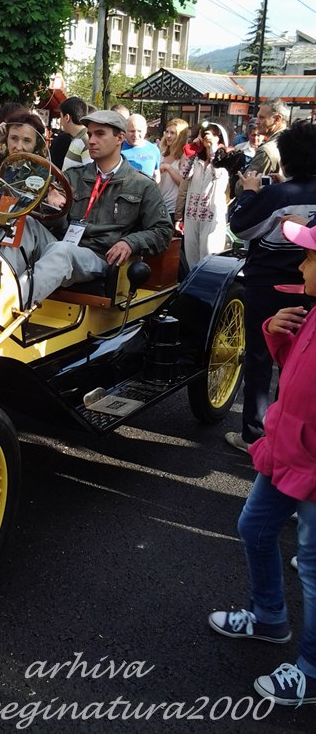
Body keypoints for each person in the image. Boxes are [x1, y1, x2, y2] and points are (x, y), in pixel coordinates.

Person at [208, 218, 316, 708]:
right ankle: (270, 618)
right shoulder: (310, 310)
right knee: (253, 528)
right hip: (286, 448)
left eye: (309, 258)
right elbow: (295, 370)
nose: (301, 266)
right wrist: (275, 332)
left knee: (312, 565)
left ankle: (312, 669)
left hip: (310, 461)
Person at [0, 109, 173, 305]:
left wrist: (131, 242)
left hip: (100, 256)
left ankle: (8, 306)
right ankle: (0, 290)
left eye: (100, 134)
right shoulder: (73, 176)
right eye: (90, 134)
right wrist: (51, 205)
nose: (91, 140)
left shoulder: (141, 184)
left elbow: (163, 230)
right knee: (24, 223)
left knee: (62, 250)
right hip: (63, 245)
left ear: (119, 138)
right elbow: (55, 223)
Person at [225, 121, 316, 453]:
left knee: (259, 357)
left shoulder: (277, 194)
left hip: (267, 285)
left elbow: (240, 227)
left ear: (285, 160)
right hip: (308, 289)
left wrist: (251, 191)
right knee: (300, 362)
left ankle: (255, 434)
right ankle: (287, 435)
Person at [174, 118, 232, 269]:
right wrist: (194, 149)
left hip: (211, 216)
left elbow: (217, 173)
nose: (208, 136)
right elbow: (184, 174)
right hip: (192, 215)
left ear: (220, 137)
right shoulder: (196, 160)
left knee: (210, 257)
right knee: (192, 258)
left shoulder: (226, 159)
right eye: (205, 133)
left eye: (213, 133)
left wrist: (213, 149)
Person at [158, 118, 188, 221]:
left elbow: (183, 183)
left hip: (173, 209)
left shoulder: (184, 156)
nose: (168, 136)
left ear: (181, 136)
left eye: (172, 133)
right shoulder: (161, 153)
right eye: (167, 132)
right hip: (158, 206)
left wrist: (168, 167)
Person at [121, 113, 160, 181]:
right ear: (125, 130)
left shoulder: (154, 149)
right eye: (132, 131)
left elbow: (156, 173)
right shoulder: (117, 148)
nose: (136, 135)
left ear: (145, 130)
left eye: (139, 131)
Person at [58, 96, 92, 171]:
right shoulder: (77, 137)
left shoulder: (85, 139)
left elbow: (89, 172)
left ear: (67, 118)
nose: (60, 122)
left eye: (61, 117)